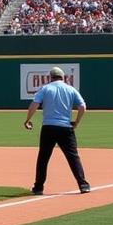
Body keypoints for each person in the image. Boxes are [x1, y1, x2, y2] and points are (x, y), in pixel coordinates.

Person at [24, 66, 90, 195]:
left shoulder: (45, 88)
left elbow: (34, 105)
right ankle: (83, 184)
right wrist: (76, 122)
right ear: (63, 77)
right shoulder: (70, 89)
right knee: (73, 157)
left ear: (50, 77)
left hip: (48, 127)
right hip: (65, 127)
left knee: (43, 157)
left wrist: (27, 120)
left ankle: (38, 187)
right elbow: (83, 106)